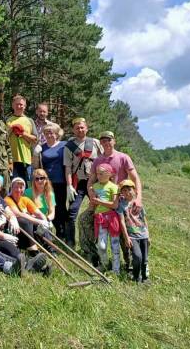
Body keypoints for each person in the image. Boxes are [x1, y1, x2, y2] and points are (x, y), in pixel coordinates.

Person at [79, 130, 142, 266]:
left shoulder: (123, 157)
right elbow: (90, 181)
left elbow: (135, 178)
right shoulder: (97, 160)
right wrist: (92, 195)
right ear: (100, 143)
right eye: (103, 140)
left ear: (114, 141)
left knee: (125, 230)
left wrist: (138, 199)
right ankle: (92, 254)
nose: (106, 142)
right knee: (84, 219)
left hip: (120, 202)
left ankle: (129, 261)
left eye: (109, 139)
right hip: (100, 202)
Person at [0, 174, 50, 274]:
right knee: (10, 248)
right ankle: (36, 268)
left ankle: (33, 257)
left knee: (22, 222)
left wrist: (13, 218)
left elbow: (8, 211)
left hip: (5, 231)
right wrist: (4, 236)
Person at [63, 117, 102, 247]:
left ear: (86, 128)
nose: (80, 130)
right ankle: (70, 242)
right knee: (71, 212)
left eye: (82, 127)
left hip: (95, 182)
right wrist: (69, 185)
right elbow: (68, 167)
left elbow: (104, 161)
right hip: (78, 183)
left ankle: (96, 242)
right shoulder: (69, 146)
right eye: (77, 128)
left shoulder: (95, 143)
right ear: (73, 130)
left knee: (99, 211)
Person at [4, 177, 53, 247]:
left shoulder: (25, 199)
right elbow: (18, 214)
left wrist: (45, 220)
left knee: (40, 220)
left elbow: (38, 213)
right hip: (16, 229)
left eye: (21, 187)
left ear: (24, 189)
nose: (18, 190)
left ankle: (50, 247)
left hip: (27, 228)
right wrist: (39, 221)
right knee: (25, 220)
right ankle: (32, 247)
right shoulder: (7, 199)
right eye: (16, 187)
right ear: (11, 188)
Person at [118, 179, 150, 283]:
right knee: (137, 256)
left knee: (145, 259)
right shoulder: (121, 205)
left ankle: (144, 278)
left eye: (129, 189)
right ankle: (136, 277)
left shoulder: (138, 203)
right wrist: (126, 237)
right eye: (124, 190)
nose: (127, 192)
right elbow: (122, 222)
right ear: (121, 193)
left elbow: (144, 219)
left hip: (143, 235)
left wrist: (148, 235)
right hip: (132, 236)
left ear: (134, 190)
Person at [92, 163, 121, 274]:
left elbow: (114, 205)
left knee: (115, 244)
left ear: (109, 174)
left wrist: (98, 201)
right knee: (101, 246)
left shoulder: (114, 187)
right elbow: (93, 202)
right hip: (100, 219)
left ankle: (116, 269)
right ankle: (104, 264)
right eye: (97, 173)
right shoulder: (95, 186)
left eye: (101, 173)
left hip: (112, 218)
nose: (98, 176)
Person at [6, 94, 37, 183]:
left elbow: (35, 139)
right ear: (13, 105)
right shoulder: (8, 120)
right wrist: (11, 130)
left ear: (25, 106)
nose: (19, 106)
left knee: (26, 184)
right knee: (13, 184)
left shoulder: (29, 120)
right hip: (12, 159)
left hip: (26, 159)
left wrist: (22, 133)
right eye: (17, 104)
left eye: (21, 105)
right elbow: (4, 138)